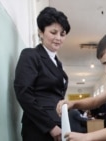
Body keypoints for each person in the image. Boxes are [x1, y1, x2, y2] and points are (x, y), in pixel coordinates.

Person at [14, 7, 70, 141]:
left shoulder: (58, 63)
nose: (58, 38)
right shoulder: (30, 55)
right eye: (53, 32)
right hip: (38, 128)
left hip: (58, 125)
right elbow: (23, 93)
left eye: (62, 34)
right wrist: (50, 126)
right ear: (40, 32)